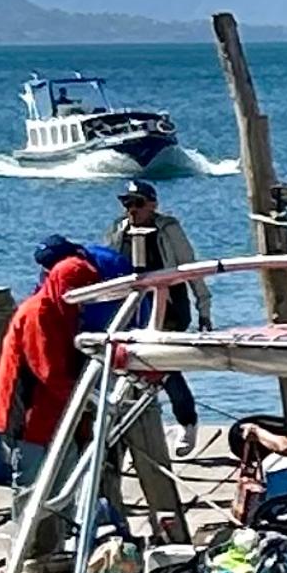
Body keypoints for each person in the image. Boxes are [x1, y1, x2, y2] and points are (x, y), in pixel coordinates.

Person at [0, 243, 106, 484]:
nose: (83, 302)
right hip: (28, 415)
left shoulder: (65, 312)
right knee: (30, 486)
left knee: (65, 482)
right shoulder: (38, 313)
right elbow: (49, 373)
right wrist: (91, 403)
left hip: (56, 413)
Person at [107, 177, 203, 428]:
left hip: (169, 307)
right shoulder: (119, 229)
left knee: (164, 364)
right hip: (133, 307)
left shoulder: (168, 229)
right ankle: (139, 424)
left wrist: (204, 308)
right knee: (130, 363)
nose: (132, 210)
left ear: (152, 204)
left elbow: (191, 267)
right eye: (126, 203)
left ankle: (187, 421)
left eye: (138, 203)